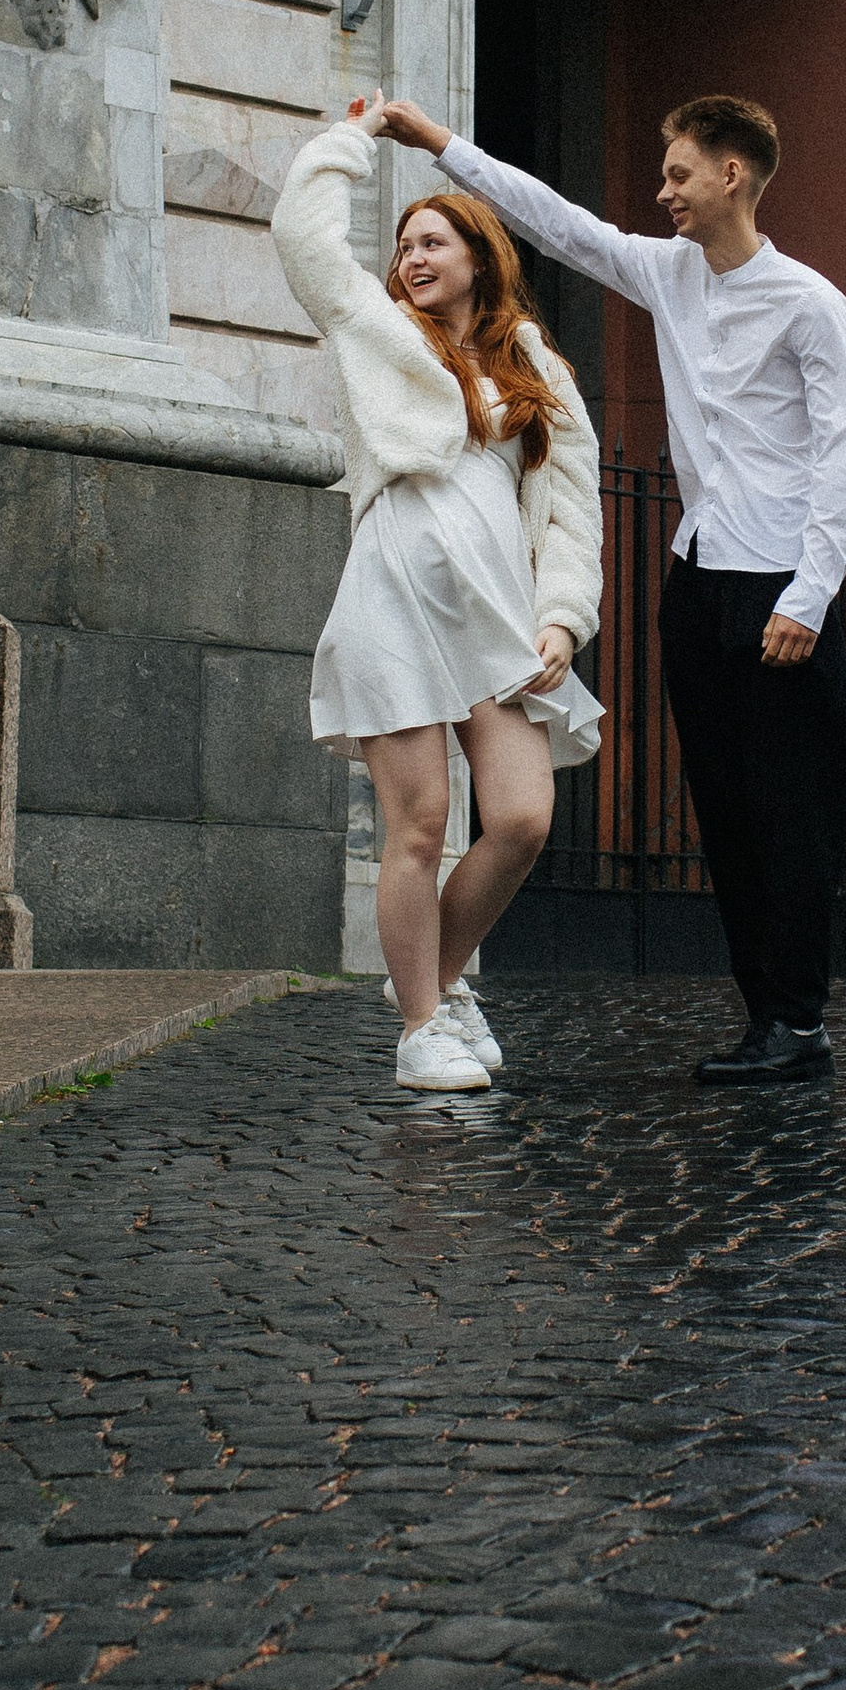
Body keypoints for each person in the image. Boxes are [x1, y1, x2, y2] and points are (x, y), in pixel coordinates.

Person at [376, 90, 846, 1088]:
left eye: (678, 174)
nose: (663, 192)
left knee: (793, 815)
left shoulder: (811, 303)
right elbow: (560, 223)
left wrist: (808, 600)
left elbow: (838, 459)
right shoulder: (668, 273)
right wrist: (436, 143)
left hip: (783, 588)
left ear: (731, 174)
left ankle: (800, 1022)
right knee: (723, 813)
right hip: (697, 580)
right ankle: (761, 1016)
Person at [272, 98, 603, 1091]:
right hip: (396, 599)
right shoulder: (372, 329)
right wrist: (356, 141)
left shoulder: (533, 364)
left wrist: (562, 616)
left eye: (433, 241)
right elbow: (302, 232)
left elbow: (575, 510)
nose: (413, 258)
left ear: (477, 254)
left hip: (499, 613)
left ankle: (438, 979)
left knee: (520, 819)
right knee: (416, 824)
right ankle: (423, 1025)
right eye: (406, 244)